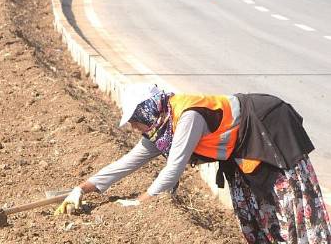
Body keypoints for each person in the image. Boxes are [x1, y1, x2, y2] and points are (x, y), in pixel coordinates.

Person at [55, 83, 330, 244]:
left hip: (267, 127)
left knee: (288, 199)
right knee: (254, 211)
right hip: (242, 145)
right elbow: (127, 162)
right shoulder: (160, 130)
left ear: (146, 110)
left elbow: (173, 168)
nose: (135, 128)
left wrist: (142, 201)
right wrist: (82, 188)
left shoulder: (186, 117)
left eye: (135, 121)